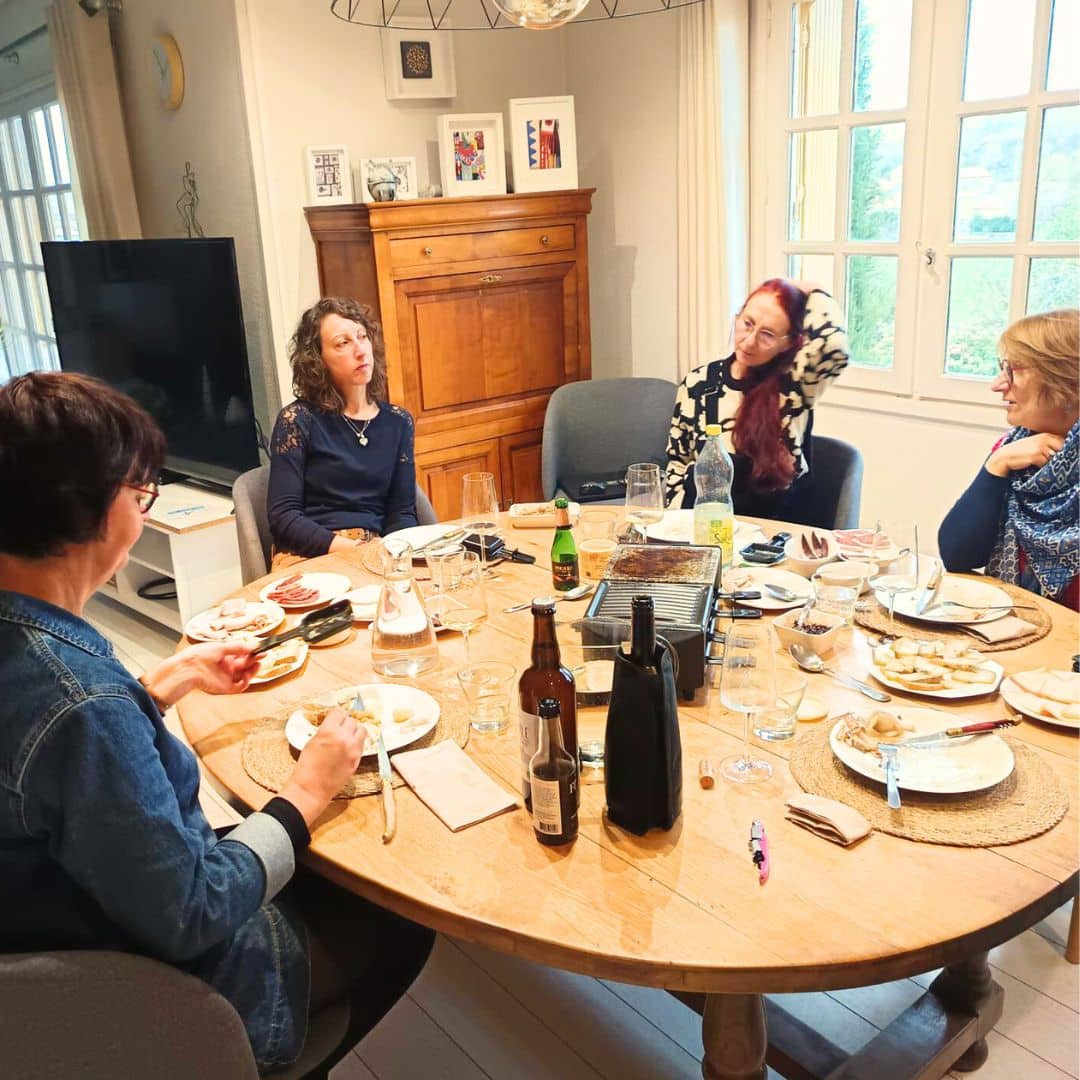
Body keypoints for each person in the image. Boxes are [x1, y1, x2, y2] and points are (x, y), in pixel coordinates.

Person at [0, 372, 433, 1074]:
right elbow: (191, 911)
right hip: (164, 996)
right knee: (402, 910)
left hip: (68, 926)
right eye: (142, 494)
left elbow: (55, 767)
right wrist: (306, 790)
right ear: (93, 510)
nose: (144, 512)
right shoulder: (81, 704)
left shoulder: (37, 655)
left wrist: (162, 685)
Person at [665, 278, 849, 524]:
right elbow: (678, 463)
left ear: (788, 343)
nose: (750, 341)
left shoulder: (795, 385)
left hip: (773, 532)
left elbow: (834, 346)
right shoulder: (698, 383)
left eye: (767, 335)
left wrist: (815, 291)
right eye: (747, 324)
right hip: (705, 528)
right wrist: (675, 524)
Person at [938, 309, 1079, 610]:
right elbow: (957, 555)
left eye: (1014, 370)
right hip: (1022, 625)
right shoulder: (1017, 447)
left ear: (1068, 381)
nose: (998, 384)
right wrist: (997, 463)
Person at [268, 297, 418, 569]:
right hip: (311, 555)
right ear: (318, 360)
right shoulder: (298, 420)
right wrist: (353, 549)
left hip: (377, 551)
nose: (360, 351)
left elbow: (402, 513)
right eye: (343, 343)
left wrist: (397, 557)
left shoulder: (399, 422)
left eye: (362, 336)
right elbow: (284, 517)